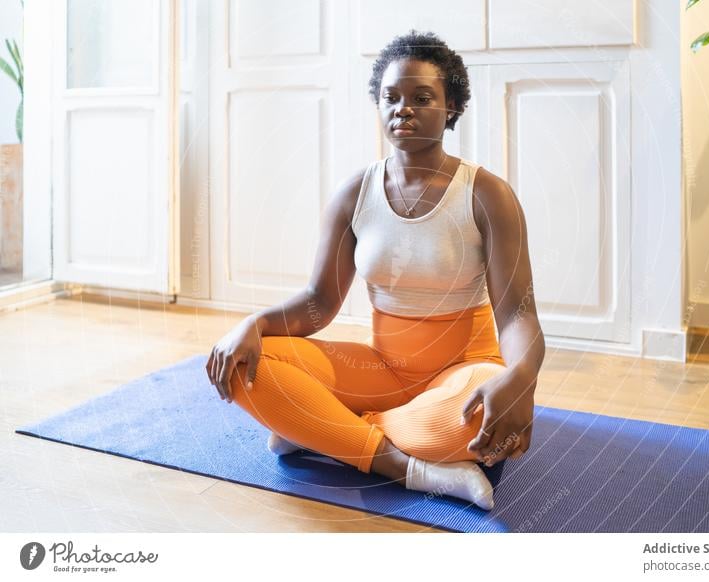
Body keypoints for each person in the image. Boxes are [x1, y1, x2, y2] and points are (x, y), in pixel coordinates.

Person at [205, 30, 545, 511]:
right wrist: (252, 325)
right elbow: (319, 305)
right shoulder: (354, 193)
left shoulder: (487, 194)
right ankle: (406, 467)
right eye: (391, 97)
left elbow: (518, 314)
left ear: (451, 108)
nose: (402, 109)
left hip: (463, 372)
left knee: (472, 418)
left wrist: (521, 379)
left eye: (421, 98)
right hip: (383, 370)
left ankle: (321, 429)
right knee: (243, 366)